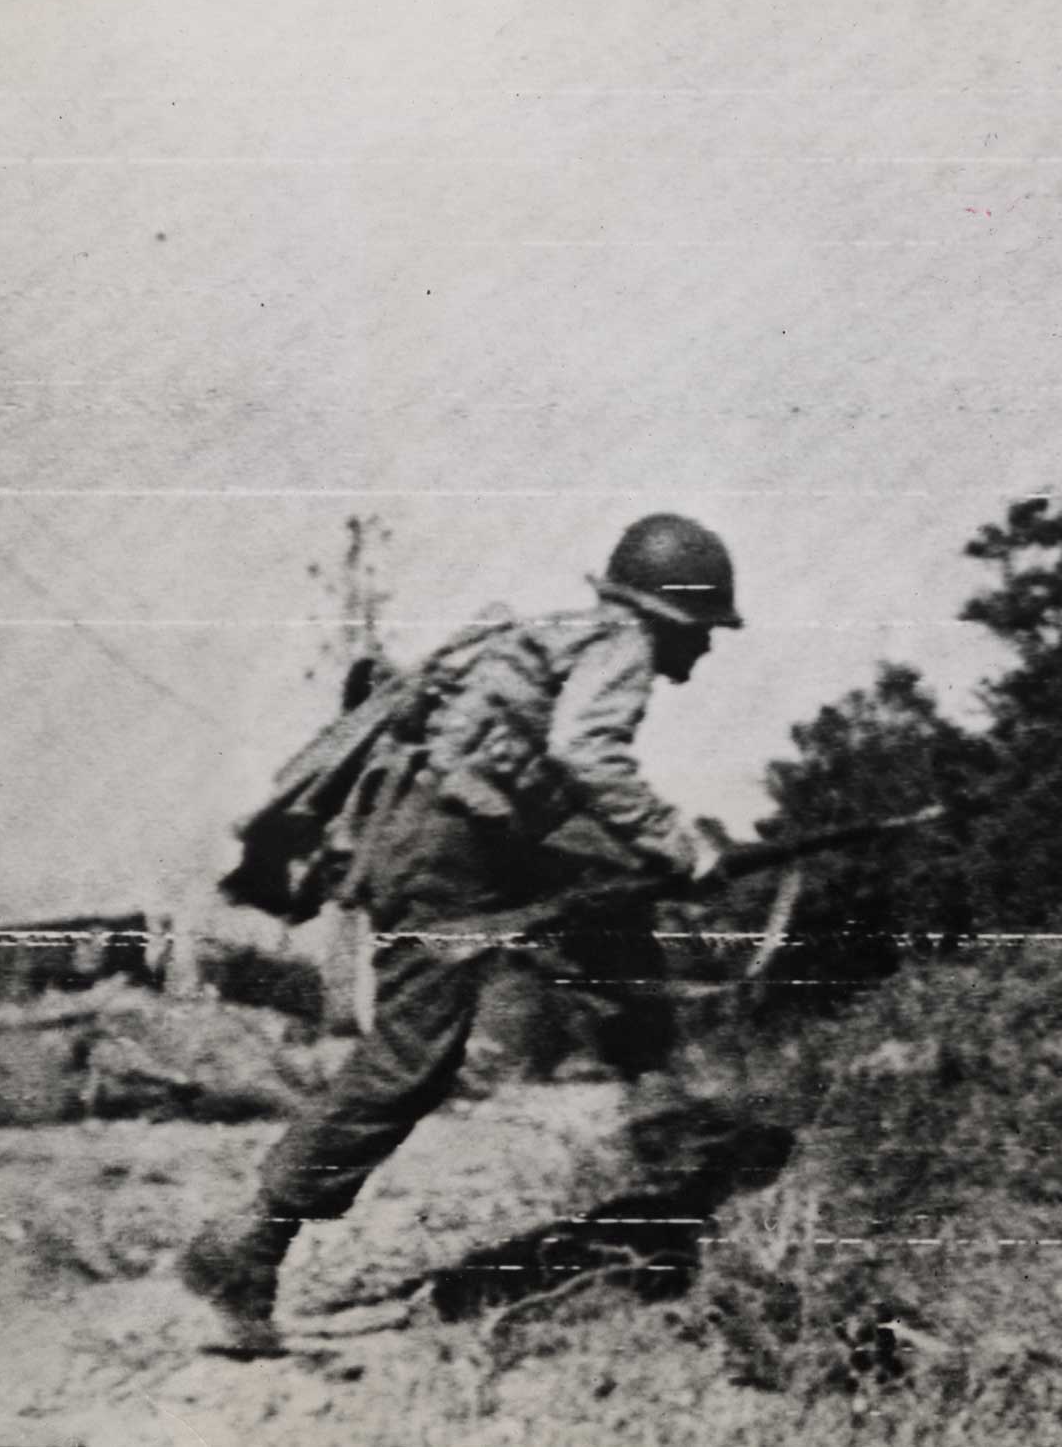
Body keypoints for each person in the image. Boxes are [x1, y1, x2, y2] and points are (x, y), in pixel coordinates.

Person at [181, 513, 745, 1352]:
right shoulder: (620, 647)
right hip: (450, 850)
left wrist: (655, 865)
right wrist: (678, 843)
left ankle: (663, 1103)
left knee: (609, 909)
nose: (701, 656)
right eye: (703, 633)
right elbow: (587, 754)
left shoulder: (559, 637)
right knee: (413, 1057)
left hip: (438, 835)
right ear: (672, 617)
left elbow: (540, 791)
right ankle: (247, 1249)